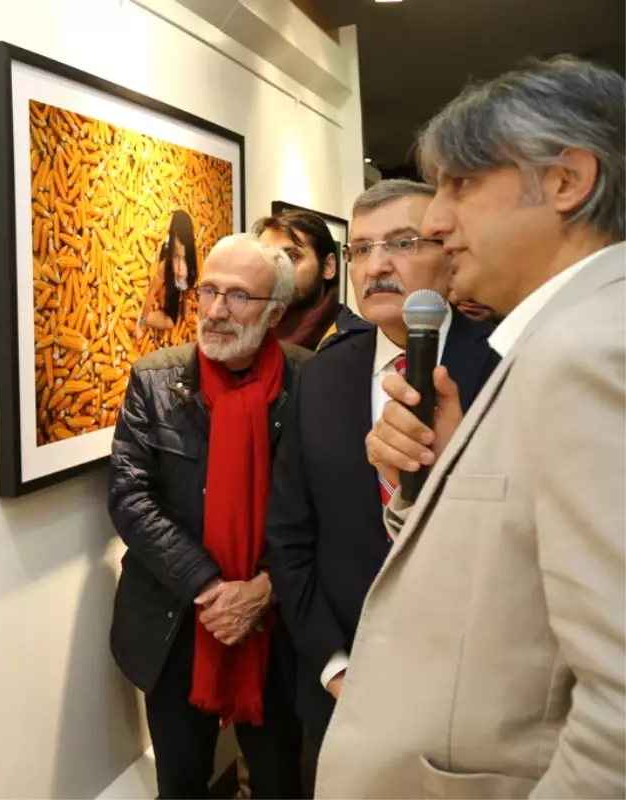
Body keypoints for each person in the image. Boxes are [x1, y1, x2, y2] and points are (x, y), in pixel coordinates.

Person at [318, 55, 626, 798]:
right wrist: (448, 468)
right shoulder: (566, 336)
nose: (435, 220)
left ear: (565, 181)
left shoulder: (590, 350)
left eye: (462, 183)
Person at [262, 179, 499, 786]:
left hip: (473, 697)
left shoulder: (507, 363)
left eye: (401, 243)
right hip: (345, 692)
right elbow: (289, 535)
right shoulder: (320, 376)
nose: (377, 266)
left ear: (448, 252)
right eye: (361, 249)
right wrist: (334, 665)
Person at [108, 233, 310, 800]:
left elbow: (323, 505)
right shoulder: (154, 378)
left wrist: (263, 590)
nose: (217, 311)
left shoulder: (311, 380)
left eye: (238, 296)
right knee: (180, 782)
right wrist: (212, 588)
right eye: (208, 291)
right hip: (174, 622)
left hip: (280, 629)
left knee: (279, 780)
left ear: (275, 312)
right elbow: (130, 498)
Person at [254, 210, 342, 350]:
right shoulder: (248, 337)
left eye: (292, 257)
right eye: (267, 258)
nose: (277, 269)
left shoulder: (357, 342)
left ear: (328, 267)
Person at [135, 210, 197, 341]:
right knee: (166, 311)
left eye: (184, 259)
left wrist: (185, 303)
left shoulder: (192, 271)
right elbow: (151, 293)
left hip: (176, 277)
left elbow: (188, 288)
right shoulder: (165, 267)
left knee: (178, 297)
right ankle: (168, 245)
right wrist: (142, 320)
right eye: (176, 257)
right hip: (168, 273)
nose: (180, 269)